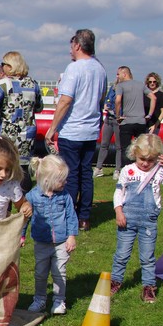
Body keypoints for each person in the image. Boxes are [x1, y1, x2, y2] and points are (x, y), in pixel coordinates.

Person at [47, 29, 107, 232]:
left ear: (78, 46)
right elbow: (101, 99)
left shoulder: (74, 68)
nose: (70, 50)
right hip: (90, 130)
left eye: (72, 46)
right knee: (85, 173)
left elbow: (65, 100)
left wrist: (52, 128)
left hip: (72, 129)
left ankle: (69, 215)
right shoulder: (100, 69)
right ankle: (84, 217)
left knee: (70, 174)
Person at [110, 134, 163, 303]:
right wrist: (119, 211)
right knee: (121, 254)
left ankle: (149, 286)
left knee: (147, 257)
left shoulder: (159, 172)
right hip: (127, 220)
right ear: (135, 153)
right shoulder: (128, 171)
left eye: (151, 160)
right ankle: (115, 281)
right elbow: (119, 192)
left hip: (148, 221)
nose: (146, 164)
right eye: (142, 159)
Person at [24, 155, 77, 315]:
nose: (65, 182)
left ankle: (59, 301)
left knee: (59, 272)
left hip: (61, 242)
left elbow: (71, 216)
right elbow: (25, 218)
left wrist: (71, 236)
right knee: (40, 273)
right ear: (48, 180)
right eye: (61, 180)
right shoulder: (32, 196)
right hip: (41, 243)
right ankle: (39, 299)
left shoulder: (65, 196)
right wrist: (21, 235)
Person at [0, 51, 42, 192]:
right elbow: (39, 107)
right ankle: (25, 200)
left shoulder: (3, 84)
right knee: (24, 169)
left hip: (7, 133)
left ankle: (6, 200)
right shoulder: (33, 84)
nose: (2, 67)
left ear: (10, 66)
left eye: (3, 64)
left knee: (5, 166)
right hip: (27, 133)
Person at [113, 66, 155, 165]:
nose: (117, 76)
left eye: (118, 74)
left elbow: (118, 100)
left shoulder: (120, 85)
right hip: (140, 121)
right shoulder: (140, 84)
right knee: (141, 148)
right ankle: (141, 167)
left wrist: (118, 116)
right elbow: (153, 97)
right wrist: (149, 115)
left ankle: (126, 169)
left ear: (124, 74)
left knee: (125, 149)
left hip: (127, 121)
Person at [93, 82, 121, 178]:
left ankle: (117, 169)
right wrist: (106, 104)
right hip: (109, 118)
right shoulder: (113, 87)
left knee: (118, 146)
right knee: (104, 144)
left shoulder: (125, 89)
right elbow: (107, 99)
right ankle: (98, 167)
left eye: (119, 75)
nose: (118, 76)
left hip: (118, 120)